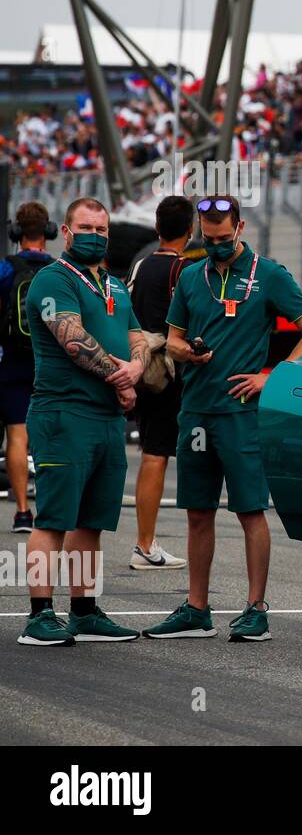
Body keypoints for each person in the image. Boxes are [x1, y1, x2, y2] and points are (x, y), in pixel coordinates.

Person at [144, 196, 302, 642]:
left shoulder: (270, 274)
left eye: (225, 237)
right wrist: (189, 352)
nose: (218, 244)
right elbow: (172, 341)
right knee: (197, 512)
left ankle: (256, 609)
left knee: (249, 511)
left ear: (240, 227)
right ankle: (196, 609)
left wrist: (273, 378)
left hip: (242, 414)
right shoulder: (189, 276)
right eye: (210, 236)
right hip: (197, 411)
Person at [19, 198, 149, 645]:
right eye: (86, 227)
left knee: (91, 522)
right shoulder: (52, 280)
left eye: (101, 227)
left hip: (107, 418)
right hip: (63, 413)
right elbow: (72, 339)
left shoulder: (115, 284)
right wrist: (123, 379)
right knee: (53, 519)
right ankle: (38, 615)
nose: (95, 233)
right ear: (67, 232)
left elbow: (139, 337)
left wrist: (136, 367)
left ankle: (84, 610)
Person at [125, 195, 194, 570]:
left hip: (142, 367)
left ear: (156, 228)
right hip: (172, 371)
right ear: (190, 230)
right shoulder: (186, 271)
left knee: (153, 454)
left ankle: (144, 541)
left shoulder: (140, 265)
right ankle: (145, 545)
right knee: (157, 457)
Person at [0, 201, 55, 533]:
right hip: (49, 360)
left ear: (16, 232)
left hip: (12, 361)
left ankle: (22, 512)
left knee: (17, 435)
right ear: (48, 232)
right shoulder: (59, 270)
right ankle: (48, 505)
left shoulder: (6, 269)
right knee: (49, 435)